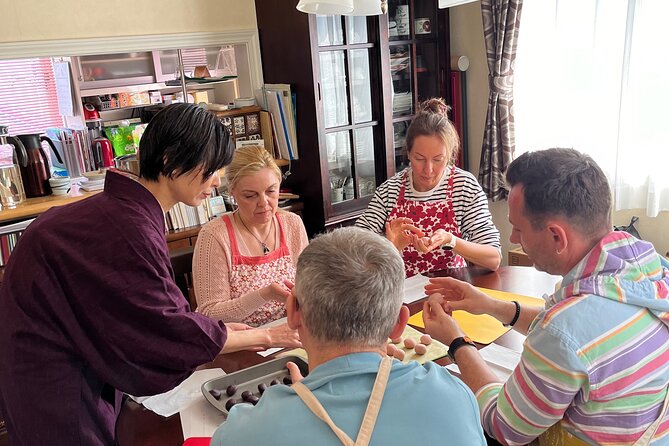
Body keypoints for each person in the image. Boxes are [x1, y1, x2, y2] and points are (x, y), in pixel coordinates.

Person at [0, 104, 300, 446]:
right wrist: (268, 337)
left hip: (62, 360)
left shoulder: (126, 213)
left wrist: (215, 330)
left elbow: (150, 312)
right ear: (172, 160)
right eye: (212, 168)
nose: (217, 181)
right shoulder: (127, 227)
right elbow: (165, 330)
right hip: (53, 381)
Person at [423, 148, 669, 445]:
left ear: (556, 236)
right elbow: (576, 336)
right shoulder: (648, 270)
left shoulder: (564, 328)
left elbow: (505, 427)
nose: (513, 238)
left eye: (517, 228)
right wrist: (488, 305)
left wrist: (457, 342)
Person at [211, 227, 486, 445]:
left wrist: (296, 403)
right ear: (399, 323)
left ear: (293, 311)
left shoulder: (245, 433)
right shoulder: (456, 398)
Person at [356, 98, 501, 277]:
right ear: (408, 153)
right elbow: (353, 251)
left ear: (449, 156)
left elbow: (493, 259)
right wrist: (390, 246)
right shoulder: (389, 191)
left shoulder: (464, 187)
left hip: (452, 291)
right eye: (419, 159)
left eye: (438, 160)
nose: (428, 170)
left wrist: (451, 241)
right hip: (400, 294)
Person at [193, 145, 309, 326]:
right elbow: (209, 315)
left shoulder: (292, 224)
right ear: (232, 193)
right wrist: (264, 295)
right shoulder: (214, 236)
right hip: (243, 344)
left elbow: (308, 288)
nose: (264, 203)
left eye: (271, 191)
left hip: (290, 334)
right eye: (250, 196)